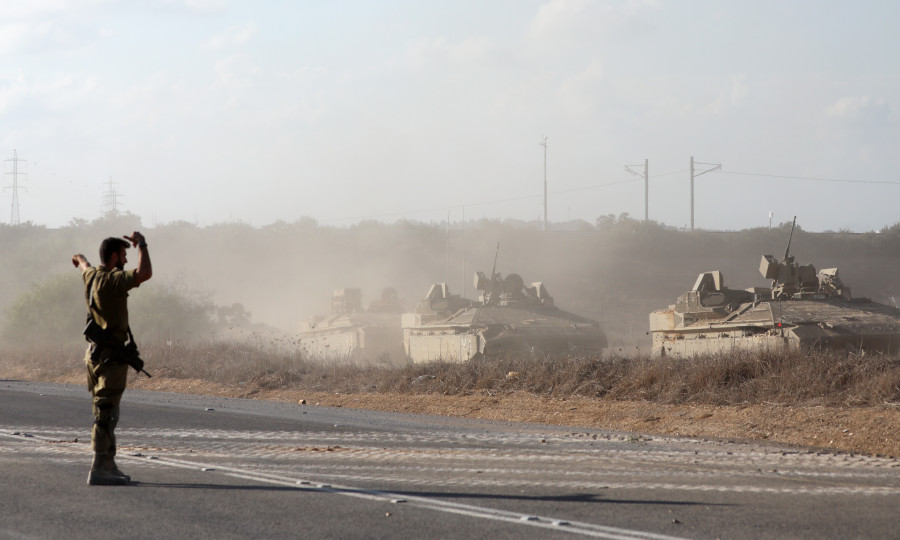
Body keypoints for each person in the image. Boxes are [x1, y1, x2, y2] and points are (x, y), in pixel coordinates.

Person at [72, 231, 152, 486]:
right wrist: (143, 245)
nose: (126, 260)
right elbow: (144, 274)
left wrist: (79, 258)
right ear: (115, 256)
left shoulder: (92, 275)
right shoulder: (114, 279)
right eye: (124, 255)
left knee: (104, 408)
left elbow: (83, 264)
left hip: (94, 357)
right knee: (106, 413)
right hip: (110, 360)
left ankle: (109, 463)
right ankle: (99, 467)